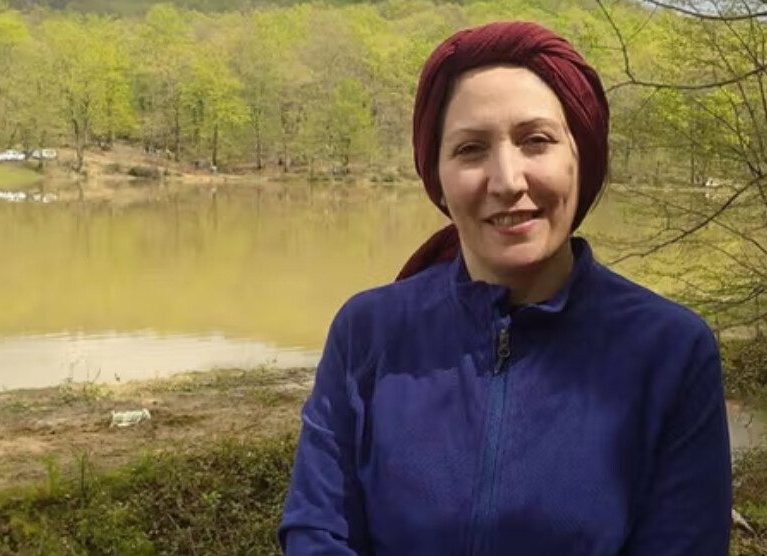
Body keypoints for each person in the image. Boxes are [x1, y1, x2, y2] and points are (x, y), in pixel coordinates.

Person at [278, 20, 732, 555]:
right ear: (438, 176)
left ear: (580, 157)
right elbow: (317, 531)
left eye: (536, 141)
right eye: (471, 149)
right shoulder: (368, 333)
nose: (508, 181)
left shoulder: (671, 352)